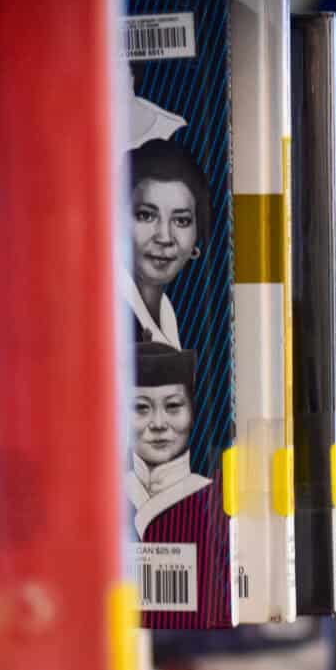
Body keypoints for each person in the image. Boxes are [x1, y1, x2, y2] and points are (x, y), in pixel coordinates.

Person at [125, 137, 211, 347]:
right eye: (146, 216)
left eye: (181, 220)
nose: (164, 237)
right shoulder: (105, 316)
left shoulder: (165, 310)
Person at [125, 342, 210, 538]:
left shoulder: (212, 498)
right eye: (140, 408)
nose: (158, 423)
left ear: (192, 412)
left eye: (172, 406)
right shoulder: (101, 496)